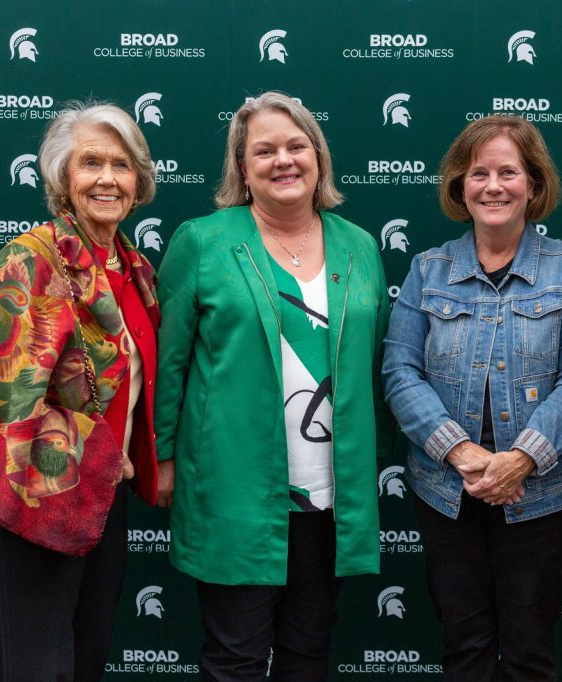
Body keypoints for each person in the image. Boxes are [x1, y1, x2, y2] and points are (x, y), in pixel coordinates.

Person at [0, 102, 160, 681]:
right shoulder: (33, 258)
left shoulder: (137, 270)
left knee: (86, 659)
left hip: (102, 495)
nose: (107, 179)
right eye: (90, 163)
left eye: (121, 165)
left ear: (138, 181)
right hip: (34, 492)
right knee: (38, 669)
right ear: (61, 180)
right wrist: (99, 452)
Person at [154, 91, 391, 682]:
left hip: (329, 496)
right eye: (264, 151)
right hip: (234, 489)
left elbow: (374, 360)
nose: (283, 160)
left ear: (318, 157)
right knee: (235, 655)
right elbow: (169, 363)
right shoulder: (202, 241)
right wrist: (160, 456)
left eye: (296, 146)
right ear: (242, 167)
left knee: (307, 653)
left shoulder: (359, 245)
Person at [382, 116, 562, 681]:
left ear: (534, 184)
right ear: (459, 185)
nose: (493, 186)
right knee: (465, 648)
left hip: (544, 496)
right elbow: (400, 372)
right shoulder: (428, 270)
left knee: (530, 652)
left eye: (509, 172)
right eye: (479, 173)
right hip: (447, 493)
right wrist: (461, 453)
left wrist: (519, 459)